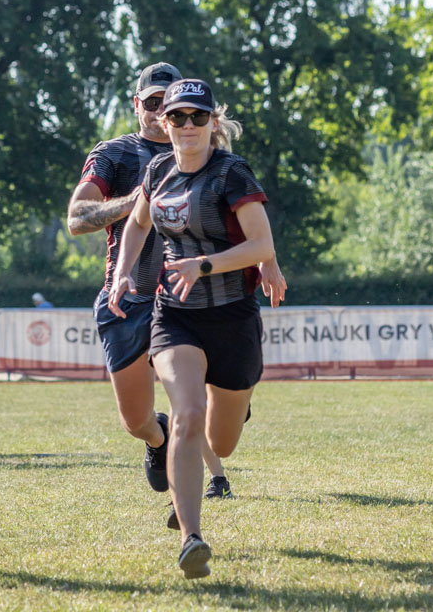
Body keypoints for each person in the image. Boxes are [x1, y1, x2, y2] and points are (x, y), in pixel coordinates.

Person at [68, 61, 286, 512]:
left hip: (187, 299)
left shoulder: (213, 157)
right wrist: (139, 201)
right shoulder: (116, 154)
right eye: (155, 104)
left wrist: (269, 263)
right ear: (139, 105)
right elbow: (76, 219)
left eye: (190, 112)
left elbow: (248, 222)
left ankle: (205, 484)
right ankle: (158, 437)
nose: (167, 115)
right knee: (136, 420)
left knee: (192, 403)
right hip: (127, 297)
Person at [108, 78, 280, 579]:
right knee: (185, 414)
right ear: (164, 122)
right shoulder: (157, 170)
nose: (187, 125)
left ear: (212, 122)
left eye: (197, 117)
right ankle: (192, 538)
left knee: (221, 443)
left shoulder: (231, 173)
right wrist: (122, 273)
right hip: (175, 313)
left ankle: (236, 405)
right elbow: (139, 222)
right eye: (177, 116)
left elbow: (262, 246)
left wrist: (203, 266)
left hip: (233, 317)